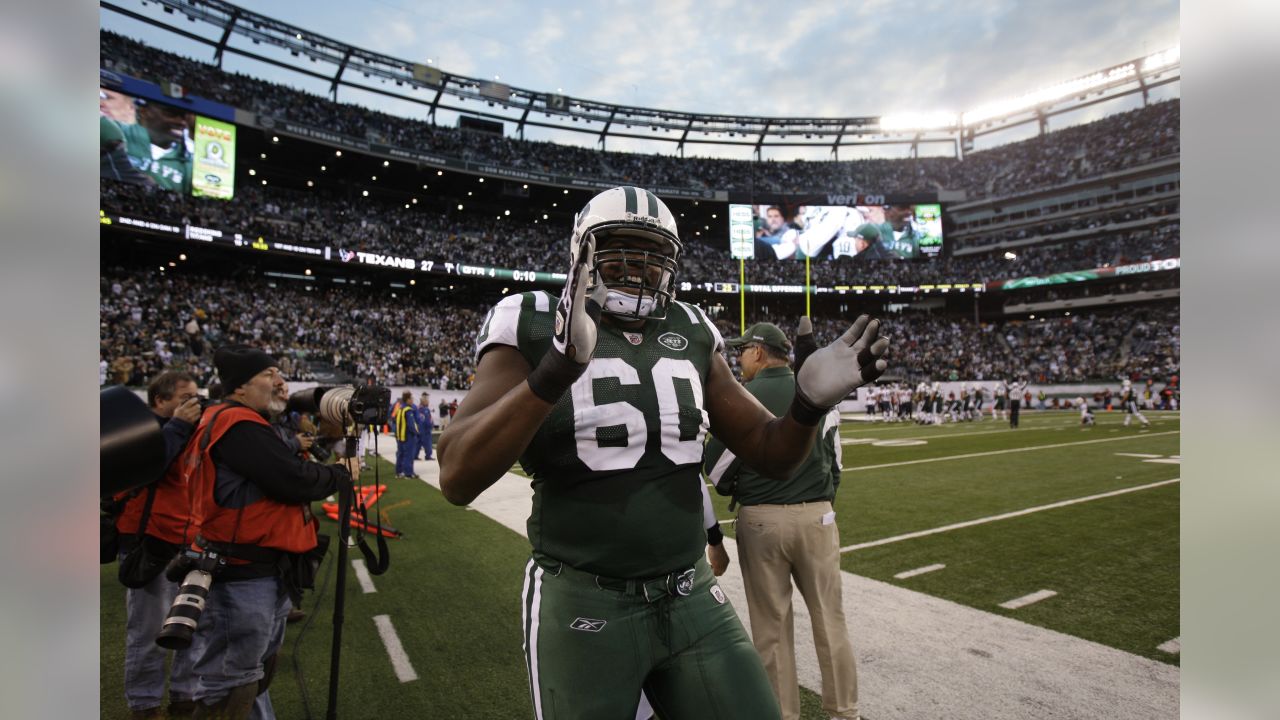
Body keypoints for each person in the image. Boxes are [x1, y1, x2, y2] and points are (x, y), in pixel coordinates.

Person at [437, 186, 888, 720]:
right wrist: (553, 371)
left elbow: (769, 451)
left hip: (690, 590)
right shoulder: (532, 319)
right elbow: (457, 476)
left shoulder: (692, 327)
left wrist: (808, 407)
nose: (640, 268)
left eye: (655, 257)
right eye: (621, 249)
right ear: (582, 253)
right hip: (582, 594)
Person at [180, 346, 352, 719]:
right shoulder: (237, 424)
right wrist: (341, 473)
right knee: (232, 682)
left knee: (249, 676)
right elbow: (291, 479)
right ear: (240, 387)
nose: (280, 382)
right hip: (243, 572)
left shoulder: (233, 419)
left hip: (256, 566)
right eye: (269, 374)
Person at [704, 322, 858, 720]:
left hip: (761, 521)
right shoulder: (818, 389)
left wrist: (746, 485)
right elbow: (836, 464)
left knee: (771, 630)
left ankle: (783, 714)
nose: (738, 360)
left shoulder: (743, 395)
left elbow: (716, 470)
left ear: (758, 351)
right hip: (817, 516)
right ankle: (844, 712)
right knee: (831, 620)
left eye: (742, 352)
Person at [109, 371, 203, 719]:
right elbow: (150, 468)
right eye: (184, 398)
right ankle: (145, 706)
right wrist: (177, 426)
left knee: (189, 627)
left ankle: (184, 696)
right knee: (149, 633)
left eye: (196, 397)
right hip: (151, 542)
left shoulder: (188, 432)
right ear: (160, 401)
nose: (193, 405)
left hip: (188, 540)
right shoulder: (137, 429)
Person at [100, 97, 194, 192]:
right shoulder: (115, 132)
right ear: (144, 111)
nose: (181, 122)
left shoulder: (189, 164)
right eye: (171, 113)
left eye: (185, 117)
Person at [393, 390, 420, 478]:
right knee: (409, 455)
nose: (412, 400)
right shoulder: (408, 410)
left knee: (400, 454)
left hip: (400, 436)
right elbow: (411, 425)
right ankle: (408, 473)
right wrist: (416, 433)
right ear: (407, 399)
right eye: (411, 398)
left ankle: (399, 472)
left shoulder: (400, 408)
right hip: (408, 436)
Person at [416, 392, 434, 461]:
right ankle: (428, 455)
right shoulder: (425, 409)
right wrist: (430, 425)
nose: (428, 402)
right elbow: (427, 420)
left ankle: (415, 455)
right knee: (427, 443)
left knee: (418, 443)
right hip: (425, 429)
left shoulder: (418, 408)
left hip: (420, 428)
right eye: (427, 401)